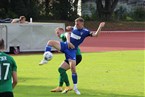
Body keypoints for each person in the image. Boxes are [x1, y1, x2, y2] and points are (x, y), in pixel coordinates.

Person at [39, 17, 105, 95]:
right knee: (50, 42)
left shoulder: (86, 31)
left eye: (77, 23)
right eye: (75, 23)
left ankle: (75, 88)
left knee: (73, 69)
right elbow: (67, 33)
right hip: (65, 45)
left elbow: (96, 35)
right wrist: (68, 41)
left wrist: (100, 27)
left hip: (72, 50)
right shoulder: (73, 28)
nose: (76, 25)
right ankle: (45, 59)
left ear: (82, 23)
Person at [50, 27, 82, 93]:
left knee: (61, 69)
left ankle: (68, 86)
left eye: (58, 33)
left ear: (61, 31)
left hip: (75, 56)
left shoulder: (63, 35)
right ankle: (59, 87)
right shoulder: (64, 39)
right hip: (77, 56)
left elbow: (67, 34)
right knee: (62, 69)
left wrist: (68, 41)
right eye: (57, 33)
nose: (57, 35)